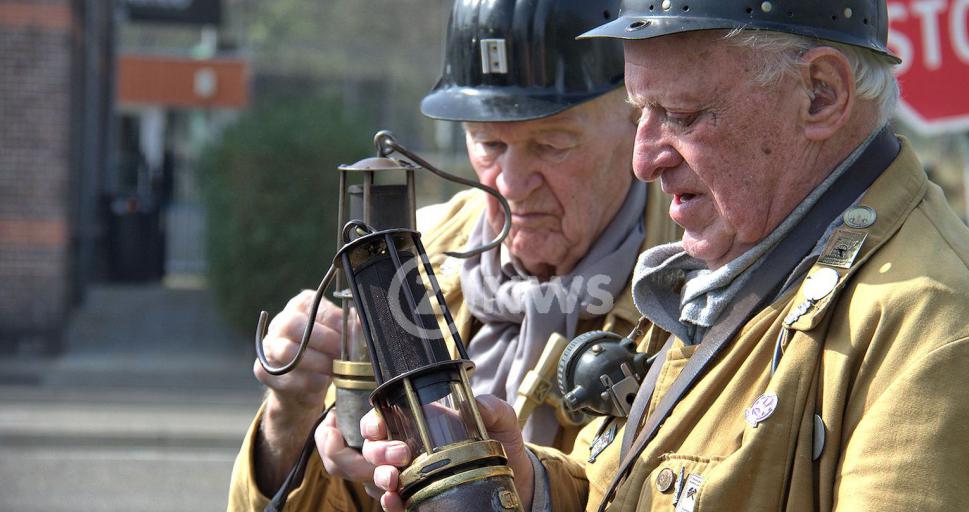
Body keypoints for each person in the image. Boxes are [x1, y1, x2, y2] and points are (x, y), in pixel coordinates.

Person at [363, 1, 969, 511]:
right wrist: (528, 483)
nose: (643, 159)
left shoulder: (939, 337)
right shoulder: (740, 265)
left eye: (680, 114)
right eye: (640, 111)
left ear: (820, 95)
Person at [226, 0, 680, 510]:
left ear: (637, 121)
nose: (509, 185)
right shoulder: (411, 256)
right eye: (487, 144)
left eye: (552, 145)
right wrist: (292, 415)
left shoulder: (693, 281)